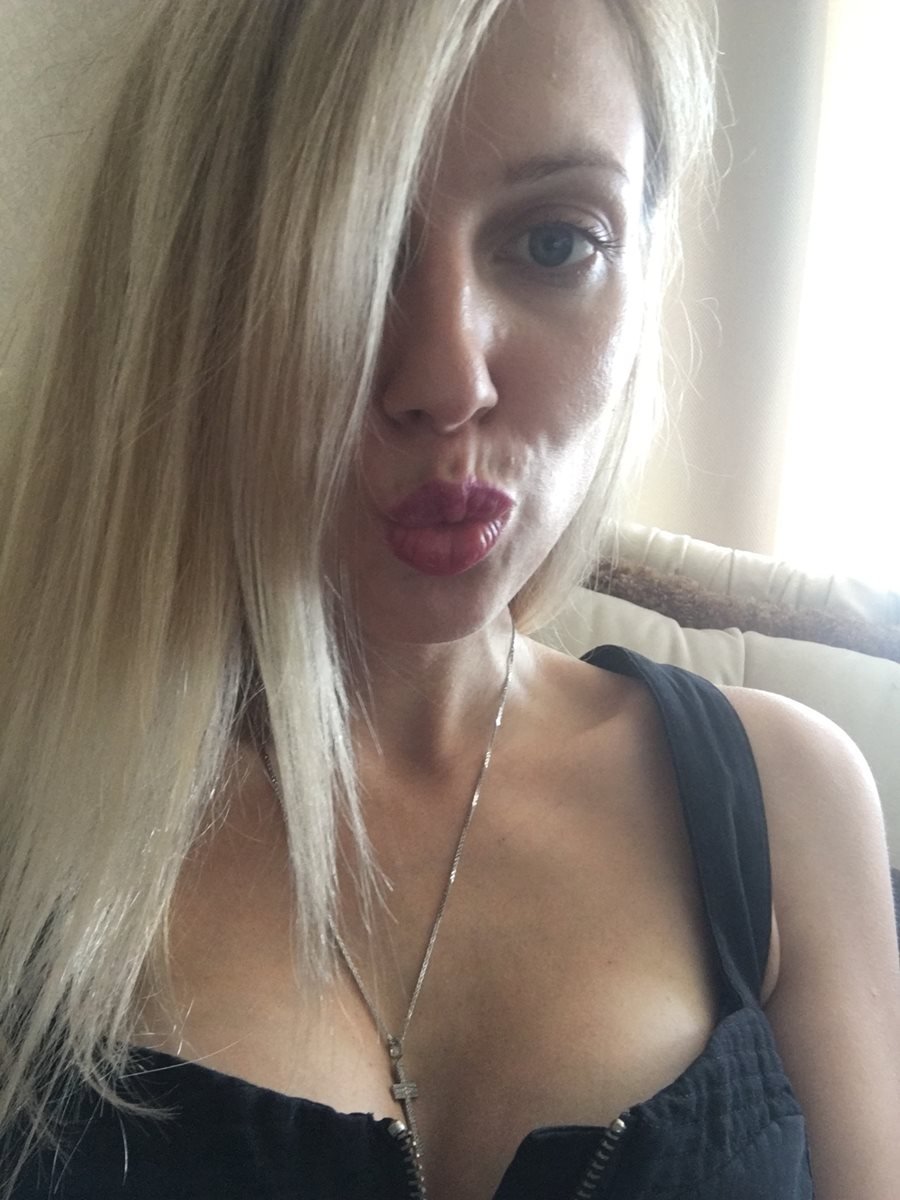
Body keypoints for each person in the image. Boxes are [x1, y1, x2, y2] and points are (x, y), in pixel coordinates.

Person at [0, 0, 897, 1197]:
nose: (447, 376)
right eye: (350, 239)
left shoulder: (790, 803)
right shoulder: (32, 799)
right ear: (184, 291)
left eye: (556, 242)